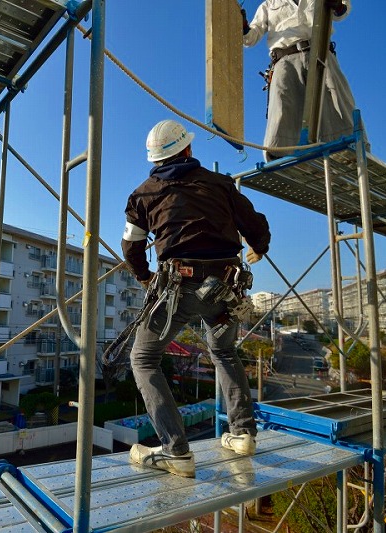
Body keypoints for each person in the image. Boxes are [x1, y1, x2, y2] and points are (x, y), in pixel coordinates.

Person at [122, 119, 271, 478]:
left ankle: (176, 452)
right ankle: (242, 434)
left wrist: (145, 277)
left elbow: (132, 247)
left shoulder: (143, 194)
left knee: (143, 359)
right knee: (222, 351)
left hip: (179, 288)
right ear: (188, 149)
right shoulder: (221, 184)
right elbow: (256, 223)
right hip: (228, 287)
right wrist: (259, 247)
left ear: (155, 160)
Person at [242, 0, 364, 161]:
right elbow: (250, 38)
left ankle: (350, 152)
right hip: (285, 59)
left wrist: (338, 5)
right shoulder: (268, 5)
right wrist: (242, 25)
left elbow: (341, 11)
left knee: (336, 101)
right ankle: (281, 157)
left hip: (321, 53)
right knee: (283, 104)